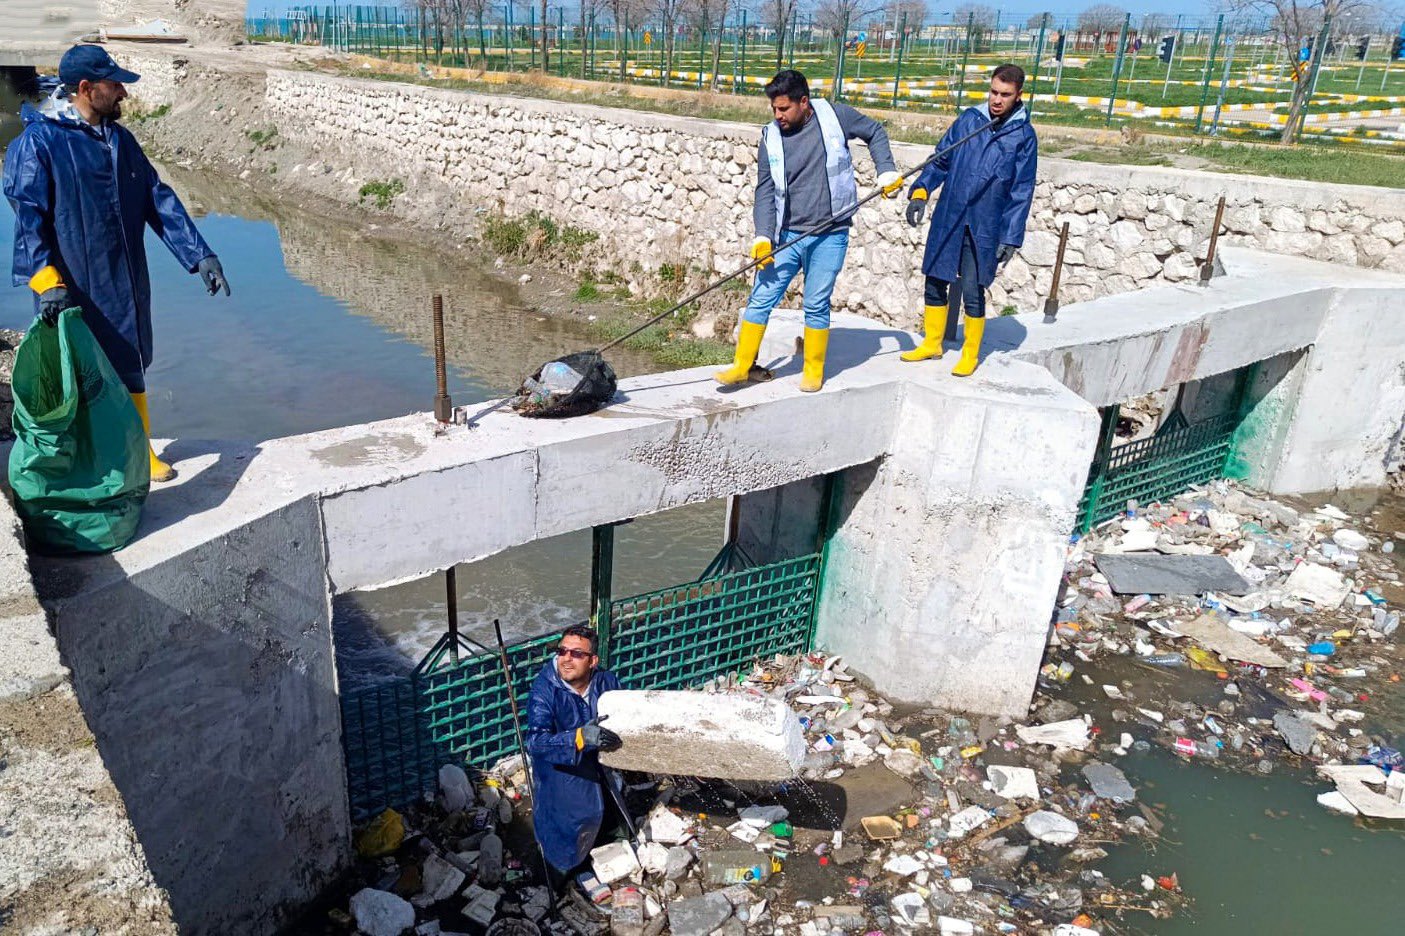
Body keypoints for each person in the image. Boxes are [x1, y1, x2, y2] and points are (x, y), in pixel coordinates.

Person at [4, 45, 230, 483]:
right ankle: (82, 461)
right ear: (86, 89)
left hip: (123, 277)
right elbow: (27, 217)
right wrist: (47, 280)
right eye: (114, 84)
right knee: (77, 373)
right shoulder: (40, 141)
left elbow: (156, 198)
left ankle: (138, 451)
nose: (123, 92)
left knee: (130, 362)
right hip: (69, 286)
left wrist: (198, 253)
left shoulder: (119, 141)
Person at [715, 69, 903, 393]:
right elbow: (764, 190)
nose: (778, 115)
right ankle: (742, 366)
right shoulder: (770, 136)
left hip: (831, 233)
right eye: (774, 109)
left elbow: (875, 132)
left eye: (784, 108)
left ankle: (813, 369)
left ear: (804, 102)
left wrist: (886, 171)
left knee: (816, 302)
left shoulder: (834, 116)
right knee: (760, 298)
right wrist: (763, 235)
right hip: (787, 235)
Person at [901, 64, 1037, 377]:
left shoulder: (1023, 136)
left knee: (975, 289)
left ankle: (970, 353)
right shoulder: (968, 121)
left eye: (1005, 94)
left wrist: (1011, 236)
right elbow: (940, 161)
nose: (997, 100)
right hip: (951, 213)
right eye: (993, 92)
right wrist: (920, 191)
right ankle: (932, 342)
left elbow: (1022, 189)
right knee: (935, 278)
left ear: (1019, 96)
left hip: (986, 223)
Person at [525, 623, 626, 904]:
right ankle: (567, 870)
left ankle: (604, 848)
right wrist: (579, 738)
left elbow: (623, 710)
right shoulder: (545, 691)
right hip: (562, 769)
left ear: (593, 661)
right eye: (562, 651)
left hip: (600, 762)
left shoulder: (607, 682)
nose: (566, 659)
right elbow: (535, 743)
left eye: (576, 654)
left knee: (609, 809)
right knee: (571, 823)